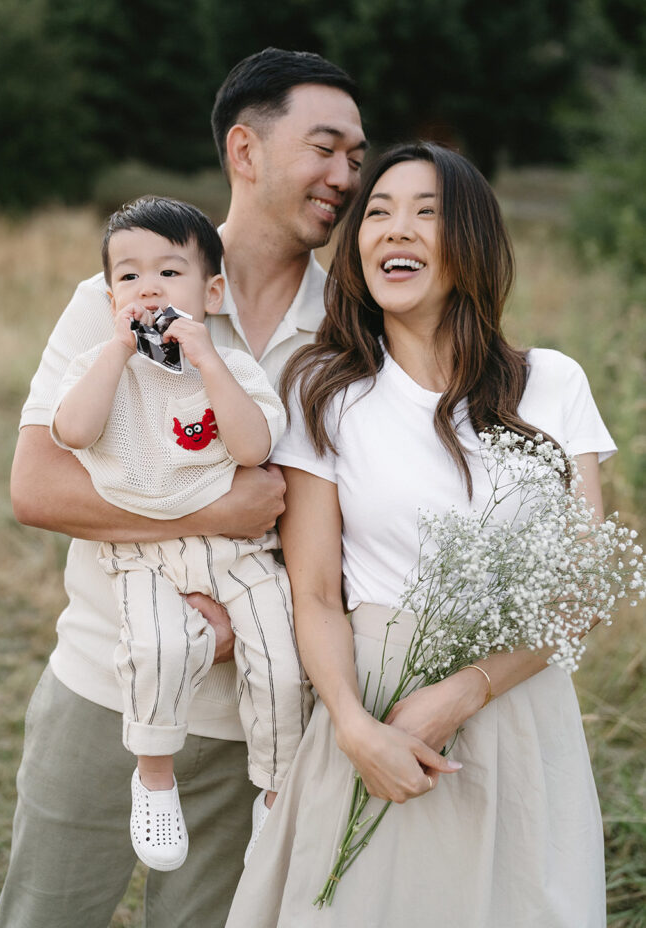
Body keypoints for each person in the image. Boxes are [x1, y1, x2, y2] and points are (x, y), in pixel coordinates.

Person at [0, 48, 366, 928]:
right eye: (325, 148)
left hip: (257, 718)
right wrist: (218, 511)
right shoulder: (121, 295)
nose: (345, 175)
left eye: (357, 156)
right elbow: (38, 487)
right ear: (245, 150)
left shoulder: (350, 332)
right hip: (105, 681)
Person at [226, 142, 614, 928]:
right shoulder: (325, 394)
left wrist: (467, 690)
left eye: (425, 214)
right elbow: (314, 592)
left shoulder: (551, 382)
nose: (394, 231)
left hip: (518, 711)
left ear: (470, 242)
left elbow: (583, 583)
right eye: (377, 213)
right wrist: (352, 725)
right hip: (375, 707)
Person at [51, 195, 313, 873]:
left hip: (238, 551)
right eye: (129, 276)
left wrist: (207, 360)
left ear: (210, 291)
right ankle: (155, 776)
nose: (148, 289)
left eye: (169, 273)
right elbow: (74, 431)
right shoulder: (100, 368)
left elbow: (253, 446)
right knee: (156, 646)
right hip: (144, 552)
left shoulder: (230, 366)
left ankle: (277, 791)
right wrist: (115, 350)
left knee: (282, 662)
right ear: (110, 295)